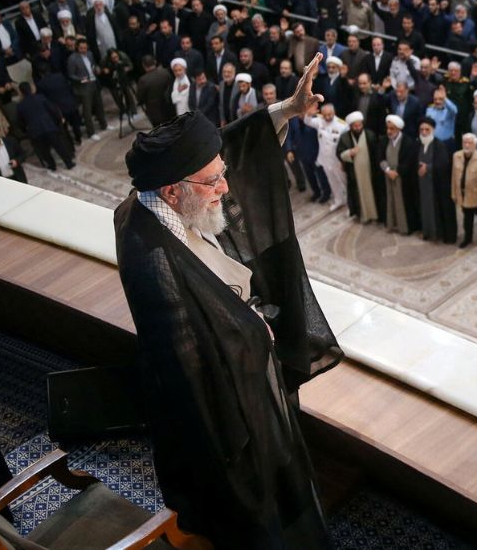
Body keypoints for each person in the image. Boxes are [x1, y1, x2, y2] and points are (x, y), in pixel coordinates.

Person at [114, 54, 341, 548]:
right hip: (230, 429)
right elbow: (193, 376)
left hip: (247, 388)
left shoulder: (158, 193)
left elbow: (225, 149)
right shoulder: (152, 264)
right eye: (214, 181)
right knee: (257, 514)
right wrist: (255, 333)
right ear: (174, 192)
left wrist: (284, 109)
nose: (226, 186)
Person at [415, 118, 457, 243]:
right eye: (421, 129)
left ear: (433, 130)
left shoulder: (440, 145)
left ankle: (437, 233)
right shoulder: (417, 144)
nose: (424, 132)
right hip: (422, 185)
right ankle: (426, 231)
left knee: (436, 209)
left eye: (427, 129)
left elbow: (443, 164)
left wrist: (427, 167)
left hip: (435, 185)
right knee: (424, 208)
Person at [337, 111, 382, 224]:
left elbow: (377, 153)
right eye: (355, 126)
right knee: (358, 194)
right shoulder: (345, 137)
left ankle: (375, 215)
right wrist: (349, 153)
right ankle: (363, 215)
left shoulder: (370, 135)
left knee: (373, 193)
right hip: (354, 173)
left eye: (359, 125)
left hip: (370, 171)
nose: (358, 128)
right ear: (351, 126)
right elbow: (339, 152)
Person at [379, 114, 420, 235]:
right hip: (388, 176)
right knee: (390, 201)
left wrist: (397, 172)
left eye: (392, 129)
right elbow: (380, 157)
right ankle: (392, 224)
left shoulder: (408, 142)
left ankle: (405, 228)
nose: (389, 131)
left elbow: (409, 161)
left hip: (403, 178)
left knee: (403, 202)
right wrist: (387, 170)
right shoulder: (384, 140)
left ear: (398, 129)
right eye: (388, 128)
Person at [453, 133, 477, 249]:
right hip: (464, 195)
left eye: (470, 142)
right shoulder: (456, 156)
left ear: (475, 144)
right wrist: (454, 193)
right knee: (467, 219)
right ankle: (467, 238)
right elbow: (453, 177)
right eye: (465, 142)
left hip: (476, 196)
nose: (467, 145)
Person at [308, 102, 348, 212]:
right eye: (325, 115)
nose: (327, 117)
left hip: (338, 160)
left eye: (330, 115)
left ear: (334, 113)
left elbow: (346, 144)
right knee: (332, 181)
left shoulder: (342, 125)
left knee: (344, 181)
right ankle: (339, 200)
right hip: (325, 159)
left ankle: (351, 203)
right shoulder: (320, 121)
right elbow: (308, 121)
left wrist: (344, 161)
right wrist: (309, 114)